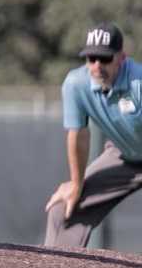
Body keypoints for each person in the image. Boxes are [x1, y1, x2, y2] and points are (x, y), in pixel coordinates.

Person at [45, 22, 142, 248]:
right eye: (91, 59)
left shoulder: (139, 83)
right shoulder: (76, 85)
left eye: (105, 58)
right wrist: (76, 184)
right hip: (124, 155)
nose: (97, 66)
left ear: (121, 58)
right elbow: (78, 135)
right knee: (63, 211)